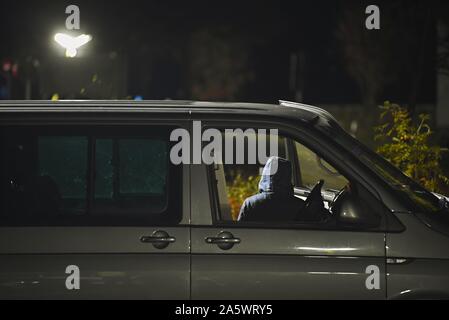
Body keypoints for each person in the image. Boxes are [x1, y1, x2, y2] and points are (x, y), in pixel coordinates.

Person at [237, 156, 305, 222]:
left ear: (265, 174)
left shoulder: (250, 204)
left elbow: (240, 231)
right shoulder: (300, 205)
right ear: (288, 176)